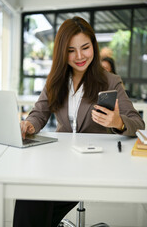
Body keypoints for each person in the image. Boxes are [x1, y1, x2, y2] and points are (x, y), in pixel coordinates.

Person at [13, 16, 145, 227]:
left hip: (94, 163)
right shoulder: (55, 80)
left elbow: (138, 124)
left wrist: (118, 121)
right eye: (71, 50)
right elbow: (39, 113)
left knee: (38, 202)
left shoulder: (110, 81)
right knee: (30, 191)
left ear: (93, 45)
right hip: (60, 158)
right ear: (62, 52)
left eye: (85, 47)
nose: (80, 56)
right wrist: (29, 124)